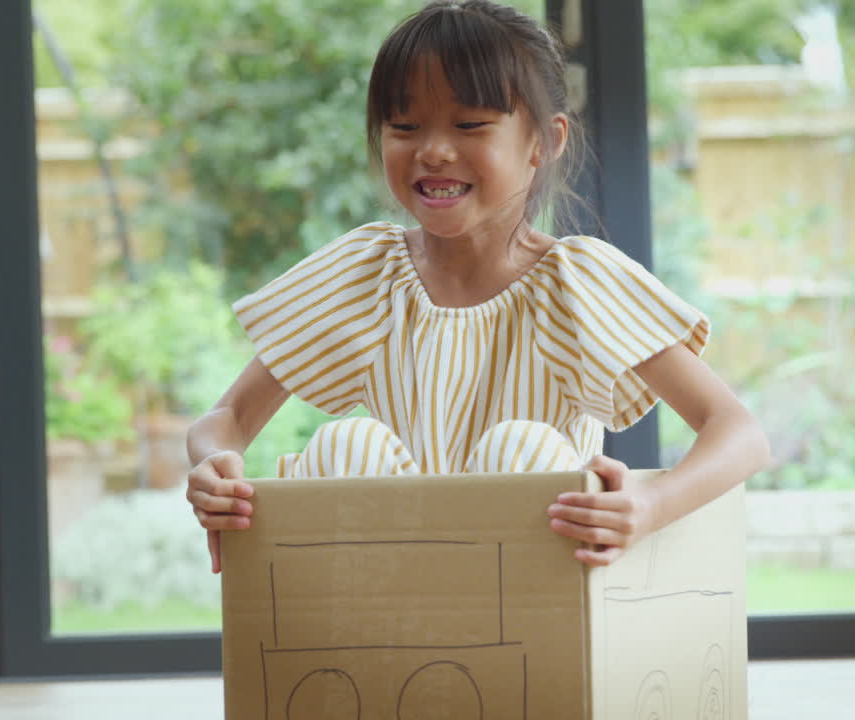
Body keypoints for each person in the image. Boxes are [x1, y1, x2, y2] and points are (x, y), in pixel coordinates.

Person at [184, 0, 770, 574]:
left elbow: (738, 432)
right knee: (348, 445)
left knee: (521, 448)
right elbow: (226, 417)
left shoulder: (576, 283)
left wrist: (650, 505)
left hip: (531, 589)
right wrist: (215, 465)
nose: (434, 151)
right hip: (387, 587)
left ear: (545, 142)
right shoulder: (367, 274)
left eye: (469, 125)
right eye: (404, 126)